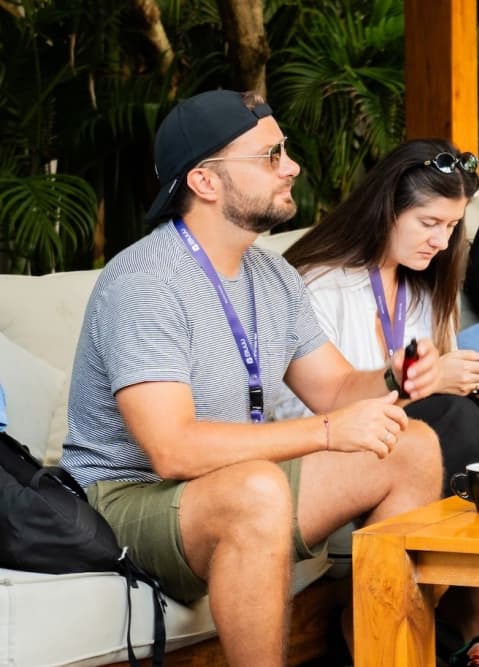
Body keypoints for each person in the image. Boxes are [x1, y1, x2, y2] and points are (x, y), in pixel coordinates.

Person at [60, 89, 447, 667]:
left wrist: (397, 372)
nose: (291, 167)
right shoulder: (145, 281)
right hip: (126, 499)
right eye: (270, 156)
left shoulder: (272, 274)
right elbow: (173, 449)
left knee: (411, 446)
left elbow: (336, 389)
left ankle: (381, 651)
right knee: (256, 490)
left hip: (232, 481)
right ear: (205, 182)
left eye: (284, 151)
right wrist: (326, 432)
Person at [277, 138, 479, 666]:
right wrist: (437, 384)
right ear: (387, 208)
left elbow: (438, 382)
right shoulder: (319, 285)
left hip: (407, 432)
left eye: (452, 226)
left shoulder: (421, 288)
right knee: (456, 418)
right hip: (334, 446)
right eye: (428, 223)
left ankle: (470, 616)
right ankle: (377, 614)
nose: (442, 240)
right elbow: (311, 404)